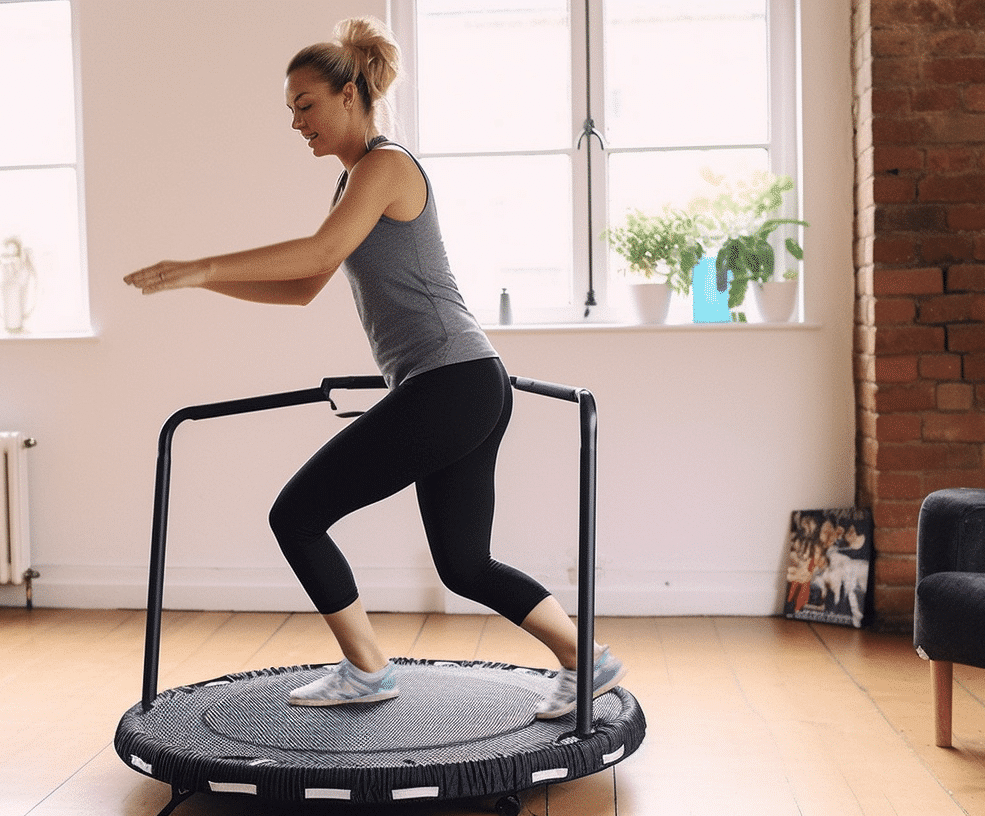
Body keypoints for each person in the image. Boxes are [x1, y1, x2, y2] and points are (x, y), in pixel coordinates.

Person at [125, 17, 625, 719]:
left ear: (351, 92)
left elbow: (319, 255)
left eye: (306, 104)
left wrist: (206, 262)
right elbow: (304, 286)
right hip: (467, 383)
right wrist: (201, 282)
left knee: (296, 515)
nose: (297, 122)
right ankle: (587, 659)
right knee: (464, 565)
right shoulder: (354, 183)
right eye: (291, 111)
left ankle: (366, 668)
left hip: (451, 382)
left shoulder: (385, 166)